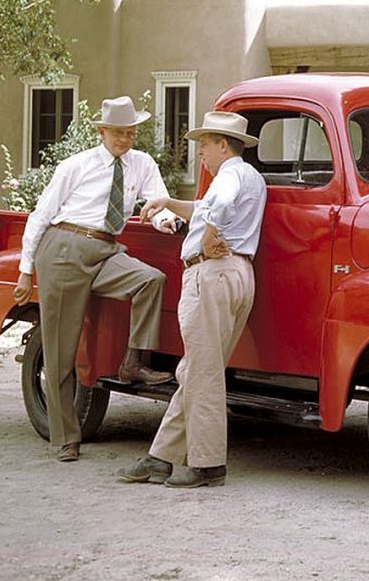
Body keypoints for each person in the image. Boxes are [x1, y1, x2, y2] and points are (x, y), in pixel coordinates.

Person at [14, 96, 172, 462]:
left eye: (131, 133)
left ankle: (133, 362)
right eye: (118, 133)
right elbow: (41, 215)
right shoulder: (76, 165)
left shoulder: (142, 164)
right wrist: (25, 270)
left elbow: (157, 205)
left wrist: (167, 221)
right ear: (101, 132)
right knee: (60, 349)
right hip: (66, 248)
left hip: (106, 248)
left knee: (150, 280)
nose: (125, 139)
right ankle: (66, 436)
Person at [116, 110, 266, 489]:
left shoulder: (229, 176)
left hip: (210, 275)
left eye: (204, 145)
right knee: (197, 370)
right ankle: (161, 458)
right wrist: (170, 202)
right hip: (239, 273)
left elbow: (218, 207)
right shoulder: (251, 177)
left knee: (202, 372)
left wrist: (205, 237)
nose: (201, 153)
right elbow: (205, 209)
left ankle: (208, 463)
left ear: (222, 144)